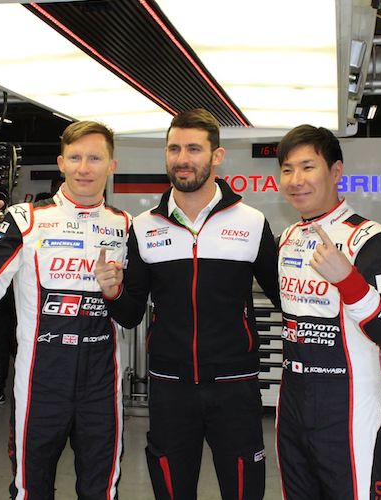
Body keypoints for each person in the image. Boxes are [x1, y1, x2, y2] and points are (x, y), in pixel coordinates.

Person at [95, 108, 280, 500]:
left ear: (217, 156)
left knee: (245, 490)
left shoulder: (251, 222)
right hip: (169, 386)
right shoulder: (144, 226)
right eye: (174, 148)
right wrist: (112, 293)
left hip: (234, 384)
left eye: (194, 148)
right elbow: (130, 315)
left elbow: (285, 295)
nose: (182, 158)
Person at [0, 121, 130, 499]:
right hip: (41, 381)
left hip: (102, 383)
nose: (84, 167)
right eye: (75, 157)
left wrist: (117, 290)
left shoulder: (125, 225)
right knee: (30, 489)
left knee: (101, 490)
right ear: (61, 163)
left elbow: (132, 307)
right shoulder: (26, 219)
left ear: (111, 165)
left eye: (95, 158)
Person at [275, 125, 381, 499]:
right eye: (287, 169)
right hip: (292, 403)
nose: (296, 180)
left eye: (307, 167)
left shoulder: (370, 238)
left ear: (335, 172)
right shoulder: (287, 240)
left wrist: (348, 279)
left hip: (349, 407)